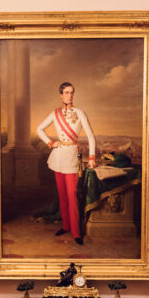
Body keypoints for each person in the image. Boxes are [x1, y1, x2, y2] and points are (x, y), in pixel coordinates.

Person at [36, 81, 96, 245]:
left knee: (72, 195)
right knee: (62, 194)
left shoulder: (80, 112)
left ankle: (76, 233)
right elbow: (39, 129)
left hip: (71, 157)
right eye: (67, 92)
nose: (70, 95)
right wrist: (50, 143)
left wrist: (91, 157)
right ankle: (66, 226)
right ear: (61, 95)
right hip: (58, 156)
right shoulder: (54, 113)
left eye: (72, 92)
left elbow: (91, 136)